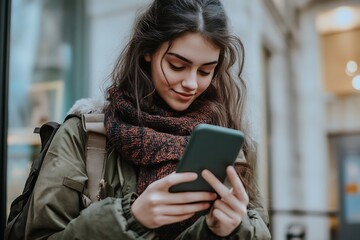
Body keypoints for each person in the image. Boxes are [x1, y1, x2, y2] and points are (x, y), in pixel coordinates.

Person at [25, 0, 271, 239]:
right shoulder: (83, 135)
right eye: (177, 66)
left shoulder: (230, 143)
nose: (192, 83)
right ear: (147, 52)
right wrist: (130, 219)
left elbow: (261, 228)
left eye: (206, 71)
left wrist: (231, 229)